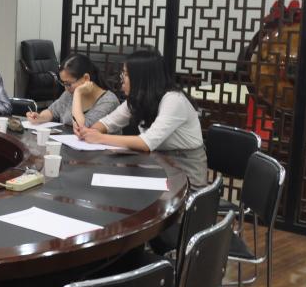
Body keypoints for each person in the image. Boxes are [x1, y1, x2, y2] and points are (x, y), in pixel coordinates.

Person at [74, 49, 207, 185]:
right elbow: (108, 122)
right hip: (156, 165)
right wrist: (91, 131)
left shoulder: (174, 100)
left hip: (185, 171)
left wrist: (100, 138)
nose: (121, 79)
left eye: (125, 74)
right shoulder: (138, 99)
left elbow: (146, 143)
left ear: (141, 78)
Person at [27, 54, 120, 127]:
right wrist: (40, 117)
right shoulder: (69, 93)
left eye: (68, 84)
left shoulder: (108, 101)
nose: (66, 88)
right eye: (63, 83)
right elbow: (52, 111)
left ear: (86, 78)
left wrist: (78, 93)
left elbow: (82, 127)